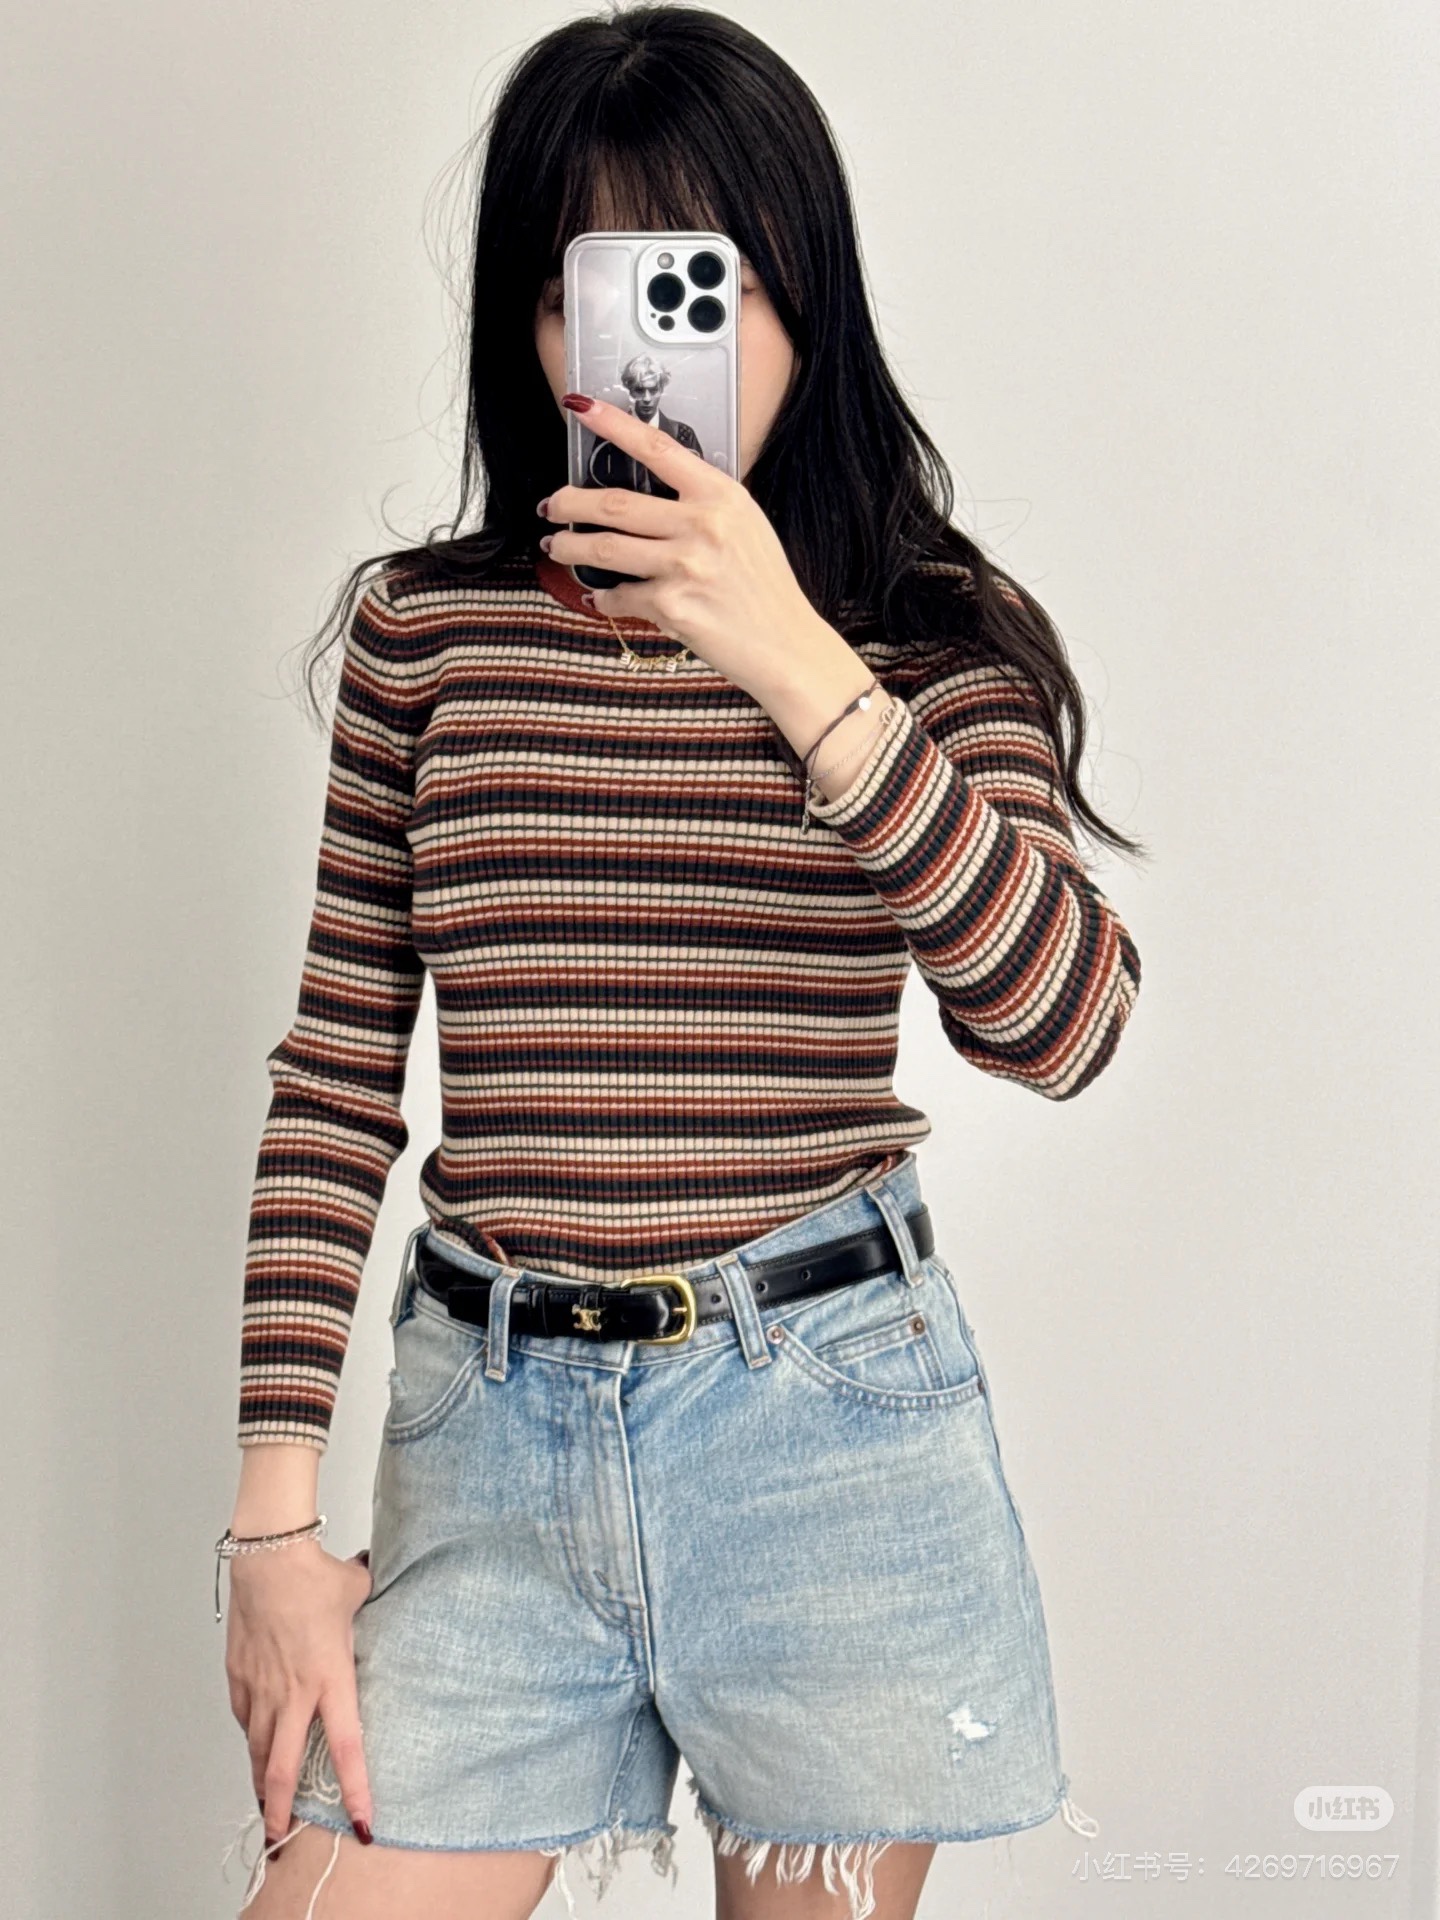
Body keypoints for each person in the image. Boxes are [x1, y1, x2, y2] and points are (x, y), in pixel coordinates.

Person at [219, 8, 1145, 1918]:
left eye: (698, 287)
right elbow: (334, 1080)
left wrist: (794, 657)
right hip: (489, 1440)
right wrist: (271, 1524)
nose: (638, 356)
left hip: (827, 1441)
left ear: (803, 298)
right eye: (587, 291)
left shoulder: (930, 640)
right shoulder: (427, 637)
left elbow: (1061, 1021)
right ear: (527, 321)